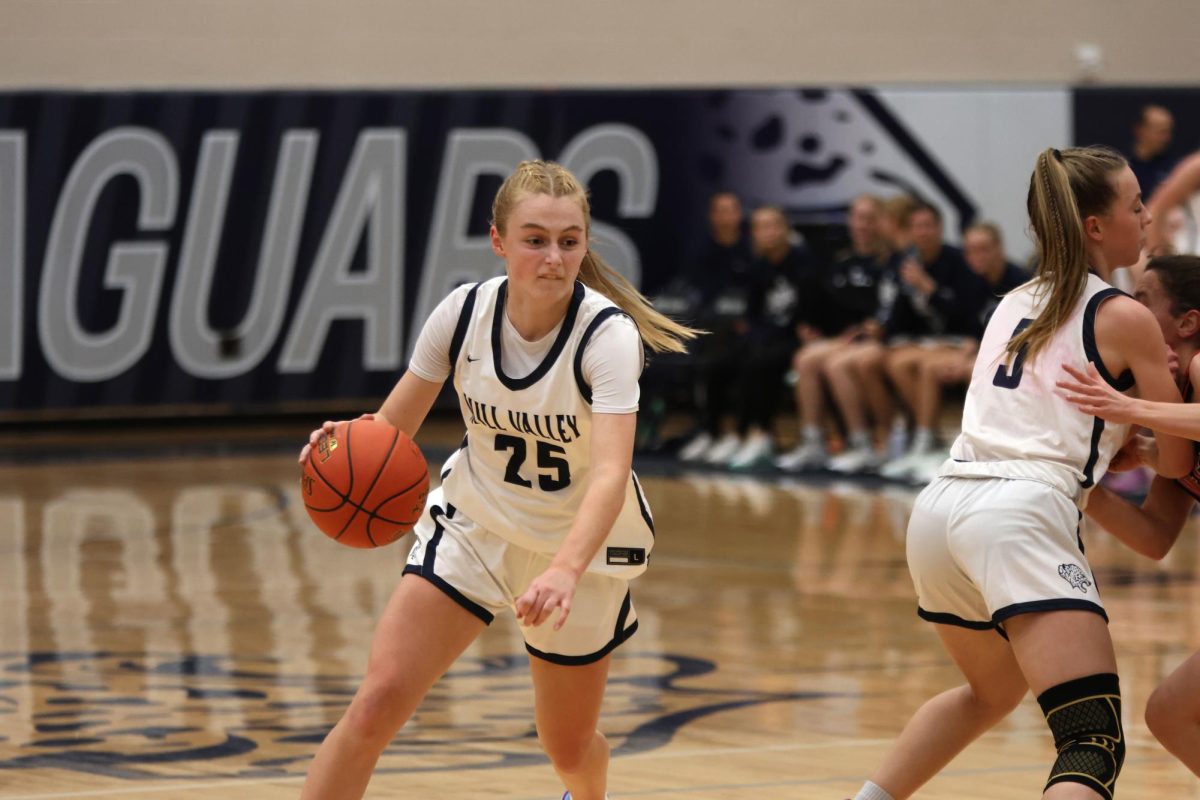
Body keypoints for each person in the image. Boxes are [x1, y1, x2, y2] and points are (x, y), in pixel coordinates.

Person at [296, 160, 697, 800]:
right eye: (535, 239)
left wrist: (564, 569)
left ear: (586, 244)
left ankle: (588, 796)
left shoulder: (607, 336)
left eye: (569, 241)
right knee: (375, 705)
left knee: (566, 745)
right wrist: (345, 442)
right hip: (476, 527)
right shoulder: (463, 314)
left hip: (580, 553)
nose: (553, 257)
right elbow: (392, 429)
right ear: (499, 241)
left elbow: (612, 474)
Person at [850, 145, 1194, 800]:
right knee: (1090, 741)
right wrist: (1144, 438)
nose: (1148, 218)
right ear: (1096, 227)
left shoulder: (1011, 303)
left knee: (990, 692)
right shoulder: (1123, 314)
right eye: (1135, 206)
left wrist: (1097, 456)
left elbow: (1140, 526)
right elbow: (1177, 461)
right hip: (1016, 514)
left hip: (939, 510)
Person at [1057, 254, 1200, 780]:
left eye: (1141, 300)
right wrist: (1077, 480)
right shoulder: (1175, 422)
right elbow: (1155, 536)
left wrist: (1130, 411)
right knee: (1170, 714)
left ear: (1187, 323)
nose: (1125, 308)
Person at [880, 222, 1028, 483]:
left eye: (984, 249)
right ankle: (926, 443)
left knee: (969, 371)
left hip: (1017, 356)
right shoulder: (975, 280)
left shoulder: (1019, 281)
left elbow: (1020, 336)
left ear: (999, 249)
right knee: (929, 366)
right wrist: (964, 353)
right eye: (971, 251)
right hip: (981, 351)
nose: (977, 257)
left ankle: (979, 451)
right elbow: (973, 330)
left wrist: (973, 358)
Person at [776, 194, 890, 471]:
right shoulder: (841, 261)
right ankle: (814, 441)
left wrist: (867, 330)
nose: (861, 225)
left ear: (880, 223)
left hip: (876, 339)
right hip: (845, 339)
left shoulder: (887, 262)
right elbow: (829, 306)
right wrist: (811, 327)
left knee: (836, 364)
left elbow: (888, 309)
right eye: (857, 218)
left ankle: (861, 442)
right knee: (806, 358)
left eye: (868, 218)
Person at [707, 205, 814, 469]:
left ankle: (759, 433)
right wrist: (753, 333)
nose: (767, 233)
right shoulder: (759, 266)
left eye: (773, 226)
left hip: (793, 337)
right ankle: (720, 433)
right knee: (717, 362)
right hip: (764, 335)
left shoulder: (805, 264)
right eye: (760, 227)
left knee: (761, 362)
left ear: (785, 229)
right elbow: (752, 313)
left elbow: (811, 311)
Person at [675, 191, 755, 462]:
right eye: (720, 210)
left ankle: (736, 433)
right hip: (711, 328)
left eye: (731, 209)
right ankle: (709, 431)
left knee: (734, 357)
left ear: (739, 215)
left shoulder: (751, 249)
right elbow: (697, 292)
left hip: (747, 329)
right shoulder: (702, 251)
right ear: (712, 216)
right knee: (708, 354)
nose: (726, 216)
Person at [1126, 104, 1176, 203]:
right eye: (1161, 132)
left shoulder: (1174, 169)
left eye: (1168, 132)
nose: (1166, 138)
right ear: (1140, 130)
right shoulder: (1123, 167)